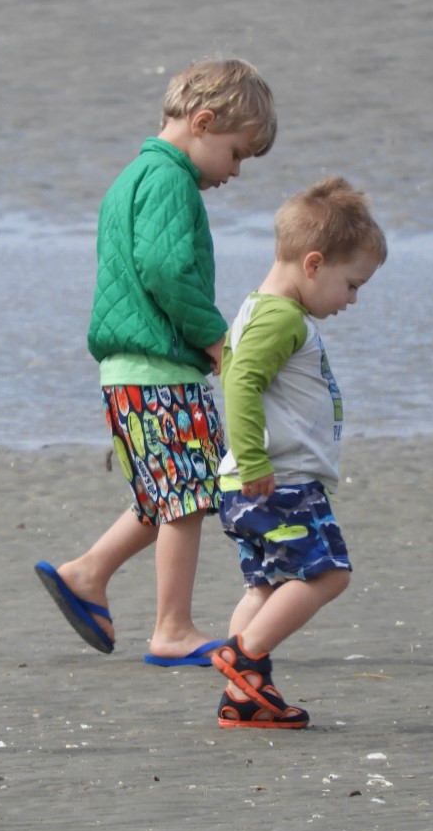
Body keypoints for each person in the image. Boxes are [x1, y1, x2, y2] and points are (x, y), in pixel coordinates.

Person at [35, 59, 277, 666]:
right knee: (189, 496)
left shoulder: (130, 178)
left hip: (125, 370)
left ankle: (87, 573)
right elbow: (167, 272)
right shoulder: (171, 182)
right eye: (237, 153)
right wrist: (219, 341)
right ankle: (172, 630)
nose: (236, 171)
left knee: (164, 493)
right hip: (159, 369)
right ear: (202, 123)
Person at [208, 176, 386, 728]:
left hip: (255, 483)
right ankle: (246, 659)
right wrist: (257, 462)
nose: (353, 300)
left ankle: (243, 696)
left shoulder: (263, 311)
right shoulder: (281, 317)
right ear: (313, 264)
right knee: (329, 575)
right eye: (352, 284)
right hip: (276, 482)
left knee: (264, 586)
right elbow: (238, 385)